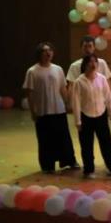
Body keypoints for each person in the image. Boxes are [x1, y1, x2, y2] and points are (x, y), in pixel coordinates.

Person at [22, 42, 79, 173]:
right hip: (43, 111)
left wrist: (67, 103)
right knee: (45, 140)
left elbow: (63, 88)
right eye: (45, 51)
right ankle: (48, 165)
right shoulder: (32, 71)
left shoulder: (58, 69)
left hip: (58, 110)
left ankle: (69, 161)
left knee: (63, 137)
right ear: (39, 54)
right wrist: (33, 111)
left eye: (50, 51)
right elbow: (29, 93)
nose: (48, 53)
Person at [70, 54, 111, 179]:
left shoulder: (102, 79)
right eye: (90, 62)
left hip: (101, 115)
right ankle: (89, 170)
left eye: (95, 62)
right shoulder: (79, 82)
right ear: (85, 64)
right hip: (85, 116)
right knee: (86, 145)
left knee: (106, 143)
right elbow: (76, 103)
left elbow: (108, 97)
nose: (93, 64)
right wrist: (78, 121)